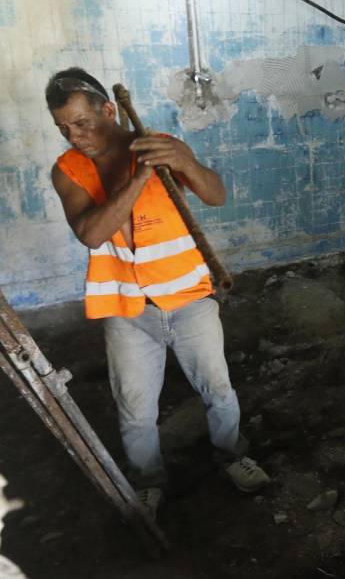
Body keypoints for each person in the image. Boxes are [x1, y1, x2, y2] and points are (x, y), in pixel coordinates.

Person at [45, 68, 269, 517]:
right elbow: (92, 233)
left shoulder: (160, 146)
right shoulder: (67, 170)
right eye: (63, 128)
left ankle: (233, 456)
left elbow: (217, 196)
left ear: (109, 110)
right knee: (135, 406)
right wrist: (138, 179)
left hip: (189, 297)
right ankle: (147, 481)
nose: (74, 136)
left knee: (217, 388)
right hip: (127, 309)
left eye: (82, 123)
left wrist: (185, 161)